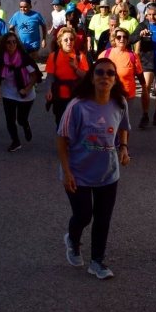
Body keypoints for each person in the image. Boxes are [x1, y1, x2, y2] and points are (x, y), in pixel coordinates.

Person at [59, 57, 131, 280]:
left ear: (115, 79)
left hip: (108, 172)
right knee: (83, 216)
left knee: (103, 218)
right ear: (91, 77)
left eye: (110, 73)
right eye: (99, 72)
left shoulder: (120, 103)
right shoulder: (77, 106)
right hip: (78, 172)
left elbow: (123, 128)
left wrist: (124, 148)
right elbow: (62, 138)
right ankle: (72, 239)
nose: (105, 77)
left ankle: (97, 262)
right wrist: (66, 172)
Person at [0, 32, 41, 152]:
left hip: (25, 94)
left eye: (14, 41)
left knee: (21, 120)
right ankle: (15, 141)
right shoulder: (2, 59)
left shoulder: (24, 58)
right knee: (10, 119)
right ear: (4, 45)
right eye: (9, 42)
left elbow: (35, 76)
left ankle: (26, 125)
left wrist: (26, 89)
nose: (12, 44)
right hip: (8, 93)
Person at [44, 27, 90, 129]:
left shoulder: (79, 55)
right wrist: (48, 91)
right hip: (59, 97)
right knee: (60, 124)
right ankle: (63, 143)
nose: (69, 42)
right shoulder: (54, 56)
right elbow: (50, 77)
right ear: (60, 41)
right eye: (66, 40)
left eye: (71, 39)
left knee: (75, 124)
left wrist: (75, 67)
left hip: (75, 96)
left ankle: (72, 143)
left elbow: (86, 76)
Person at [98, 28, 145, 111]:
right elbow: (96, 73)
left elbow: (140, 74)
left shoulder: (133, 56)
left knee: (122, 120)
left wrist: (145, 89)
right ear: (114, 39)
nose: (122, 39)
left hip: (127, 95)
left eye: (124, 37)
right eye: (119, 37)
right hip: (108, 93)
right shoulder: (105, 54)